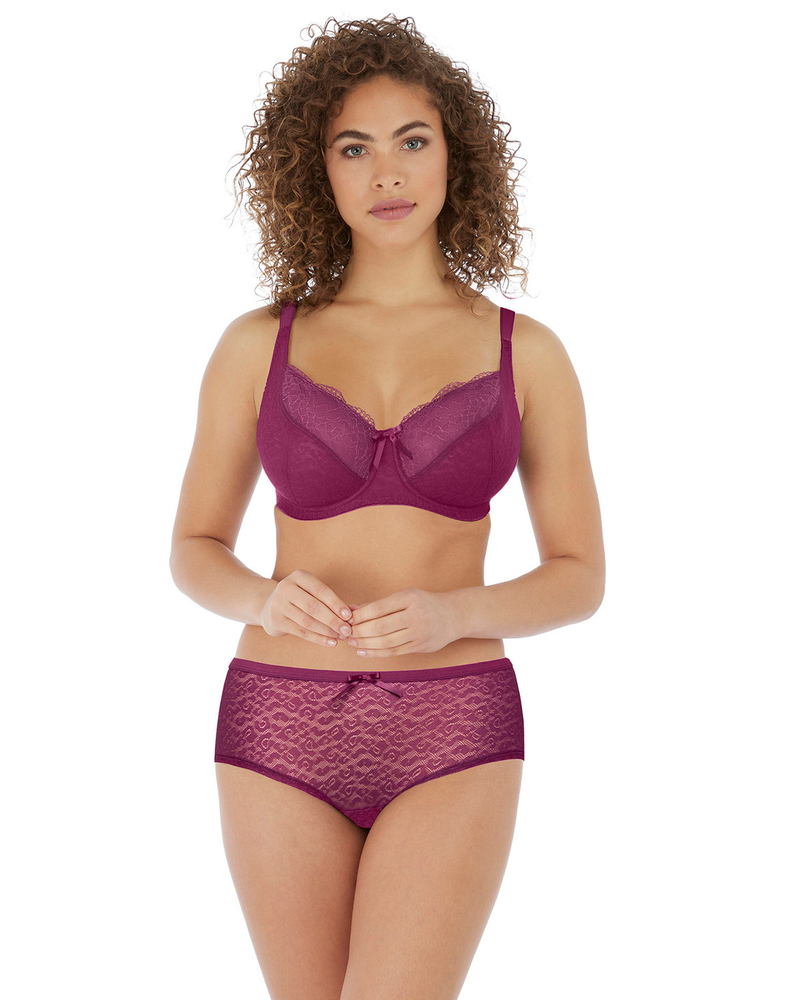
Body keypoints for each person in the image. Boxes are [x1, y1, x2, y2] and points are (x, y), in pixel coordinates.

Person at [170, 14, 604, 1000]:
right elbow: (192, 547)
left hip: (454, 723)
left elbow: (581, 575)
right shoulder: (256, 344)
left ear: (457, 155)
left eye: (412, 140)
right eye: (353, 148)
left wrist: (457, 613)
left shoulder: (526, 353)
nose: (387, 173)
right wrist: (261, 597)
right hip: (277, 719)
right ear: (315, 170)